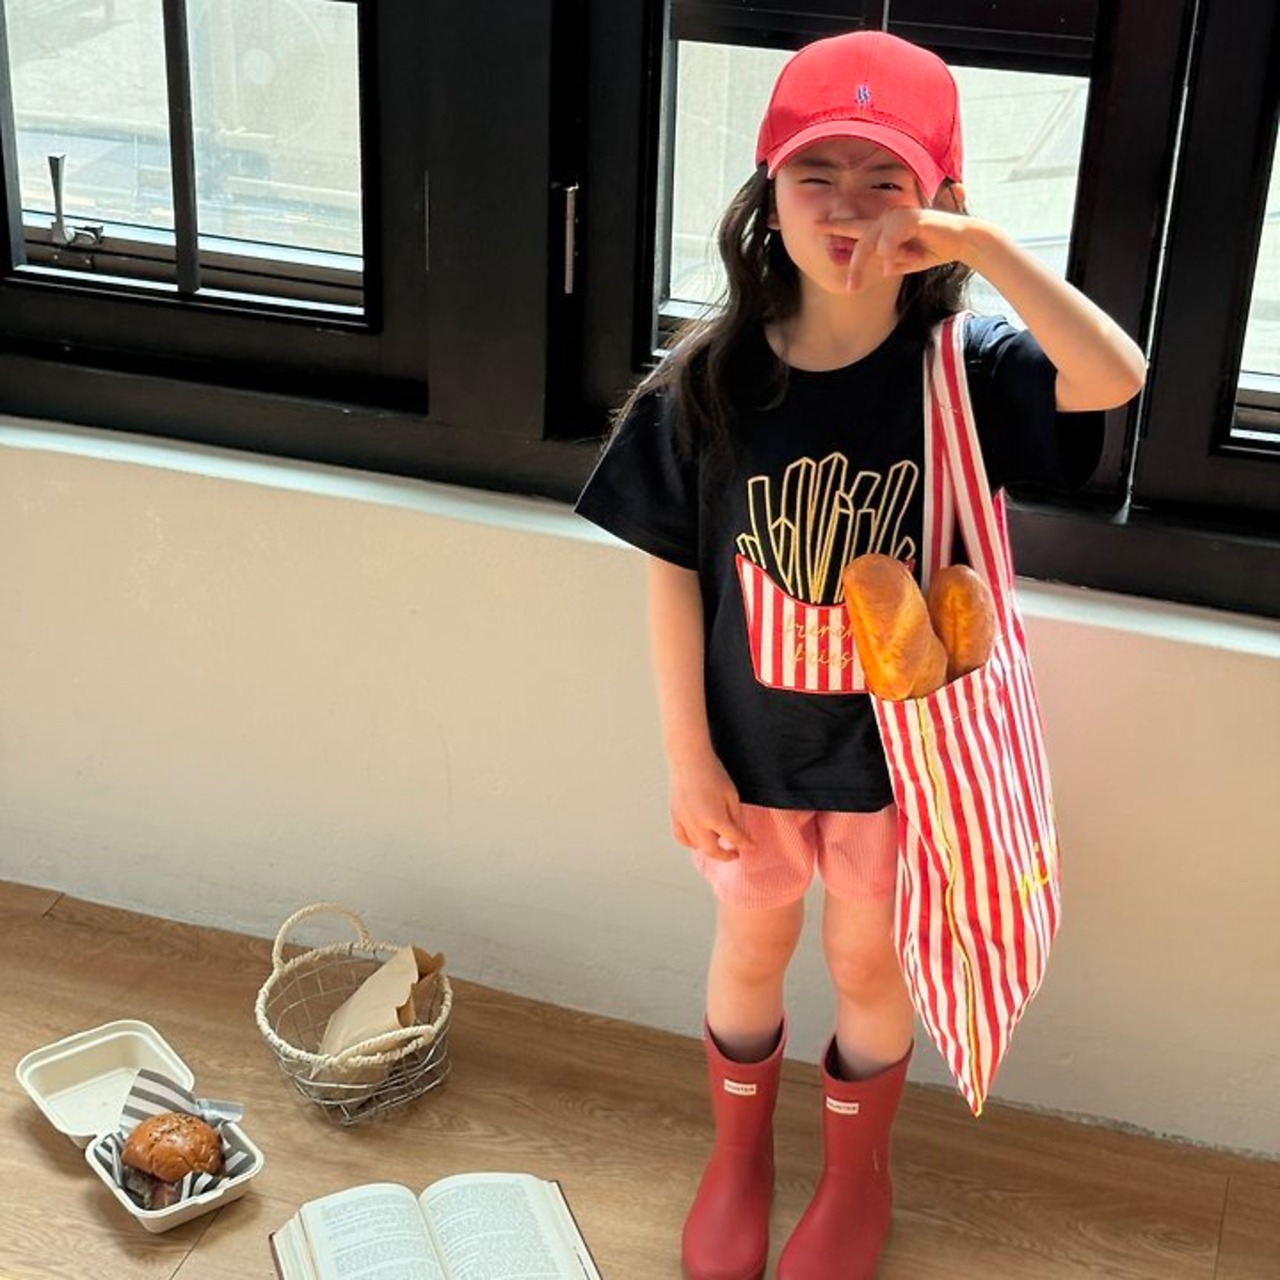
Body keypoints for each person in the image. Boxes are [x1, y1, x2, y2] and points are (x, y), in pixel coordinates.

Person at [575, 28, 1144, 1280]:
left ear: (934, 201)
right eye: (814, 173)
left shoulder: (963, 369)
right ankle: (737, 1157)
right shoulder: (708, 378)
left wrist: (986, 251)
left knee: (864, 960)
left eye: (885, 178)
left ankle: (853, 1173)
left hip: (905, 767)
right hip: (750, 757)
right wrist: (685, 756)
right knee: (749, 948)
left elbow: (1113, 375)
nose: (845, 207)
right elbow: (670, 571)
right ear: (765, 191)